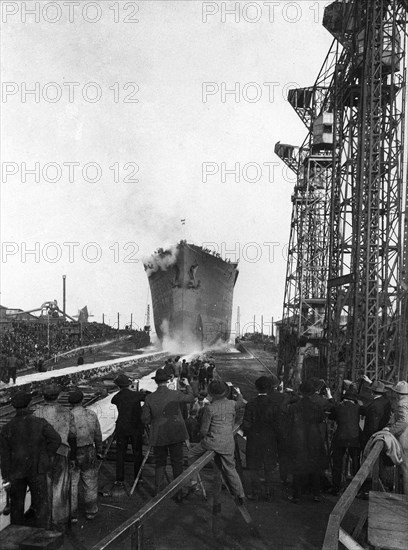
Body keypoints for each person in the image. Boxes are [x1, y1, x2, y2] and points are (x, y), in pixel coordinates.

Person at [0, 391, 61, 528]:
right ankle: (40, 535)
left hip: (15, 472)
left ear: (14, 407)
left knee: (16, 507)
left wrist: (5, 477)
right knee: (40, 504)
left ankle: (17, 535)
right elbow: (56, 439)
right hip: (37, 469)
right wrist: (46, 456)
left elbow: (4, 455)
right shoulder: (40, 423)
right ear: (29, 405)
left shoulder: (6, 427)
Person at [189, 380, 246, 504]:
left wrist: (202, 435)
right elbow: (241, 403)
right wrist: (239, 394)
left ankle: (193, 482)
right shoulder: (232, 404)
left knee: (191, 455)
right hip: (227, 442)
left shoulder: (210, 408)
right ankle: (240, 494)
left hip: (212, 442)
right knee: (230, 468)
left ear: (211, 393)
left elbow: (204, 430)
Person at [141, 368, 194, 499]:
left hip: (159, 434)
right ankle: (178, 493)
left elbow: (145, 419)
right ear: (168, 380)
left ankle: (157, 493)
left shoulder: (149, 398)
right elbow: (191, 397)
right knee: (177, 462)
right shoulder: (175, 394)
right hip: (176, 433)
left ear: (156, 382)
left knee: (160, 462)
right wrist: (187, 384)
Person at [32, 383, 77, 530]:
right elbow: (72, 435)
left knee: (44, 489)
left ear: (43, 397)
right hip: (61, 452)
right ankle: (59, 523)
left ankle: (45, 523)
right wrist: (73, 456)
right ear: (59, 396)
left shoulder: (37, 413)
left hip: (42, 454)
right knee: (60, 488)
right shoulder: (66, 412)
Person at [284, 380, 328, 503]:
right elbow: (320, 419)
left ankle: (297, 495)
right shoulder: (317, 407)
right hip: (314, 439)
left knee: (297, 468)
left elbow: (289, 422)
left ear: (301, 392)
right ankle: (316, 494)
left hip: (298, 439)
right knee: (315, 468)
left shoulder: (294, 407)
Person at [242, 376, 280, 501]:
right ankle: (269, 493)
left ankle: (255, 492)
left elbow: (246, 424)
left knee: (254, 466)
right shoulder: (275, 405)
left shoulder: (251, 404)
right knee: (269, 467)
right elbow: (278, 424)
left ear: (256, 387)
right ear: (269, 388)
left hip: (254, 439)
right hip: (270, 439)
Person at [69, 389, 103, 521]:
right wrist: (99, 450)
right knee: (90, 481)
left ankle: (72, 514)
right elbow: (98, 435)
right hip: (88, 451)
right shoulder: (91, 414)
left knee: (72, 484)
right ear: (82, 400)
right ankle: (91, 511)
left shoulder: (67, 416)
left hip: (73, 452)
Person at [111, 374, 147, 486]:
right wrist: (144, 391)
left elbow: (114, 401)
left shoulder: (116, 397)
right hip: (136, 427)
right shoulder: (137, 395)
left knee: (120, 454)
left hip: (122, 427)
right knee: (137, 452)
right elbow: (149, 397)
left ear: (118, 386)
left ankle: (119, 478)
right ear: (129, 384)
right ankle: (138, 477)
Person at [330, 389, 361, 495]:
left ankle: (335, 488)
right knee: (356, 463)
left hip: (340, 438)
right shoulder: (358, 408)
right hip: (354, 438)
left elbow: (332, 416)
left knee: (337, 464)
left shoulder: (339, 407)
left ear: (345, 399)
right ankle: (357, 490)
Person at [360, 380, 391, 450]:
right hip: (382, 433)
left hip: (372, 436)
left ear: (372, 392)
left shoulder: (374, 405)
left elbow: (372, 425)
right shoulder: (386, 401)